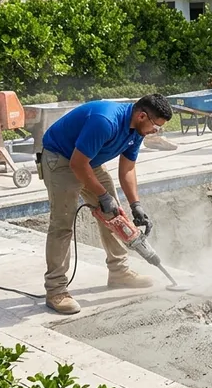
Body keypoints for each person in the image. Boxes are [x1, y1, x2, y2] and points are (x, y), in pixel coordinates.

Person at [39, 94, 174, 315]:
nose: (155, 132)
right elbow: (77, 164)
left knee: (115, 217)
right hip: (61, 160)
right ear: (142, 116)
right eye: (156, 127)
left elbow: (127, 169)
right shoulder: (106, 121)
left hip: (88, 163)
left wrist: (135, 205)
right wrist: (102, 196)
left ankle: (119, 272)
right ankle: (56, 290)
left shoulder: (137, 129)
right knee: (62, 225)